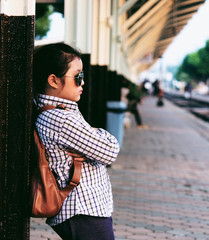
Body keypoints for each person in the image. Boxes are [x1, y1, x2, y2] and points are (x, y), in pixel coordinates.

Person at [33, 43, 120, 240]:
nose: (82, 83)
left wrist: (92, 134)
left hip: (86, 207)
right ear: (54, 80)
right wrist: (98, 133)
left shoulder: (62, 112)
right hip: (81, 208)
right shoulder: (60, 119)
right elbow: (109, 152)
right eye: (78, 77)